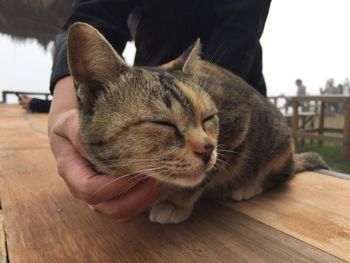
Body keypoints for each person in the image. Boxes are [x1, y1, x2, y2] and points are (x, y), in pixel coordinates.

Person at [48, 0, 272, 221]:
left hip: (217, 78)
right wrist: (63, 111)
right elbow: (95, 11)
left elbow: (241, 27)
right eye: (163, 124)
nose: (206, 146)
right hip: (153, 81)